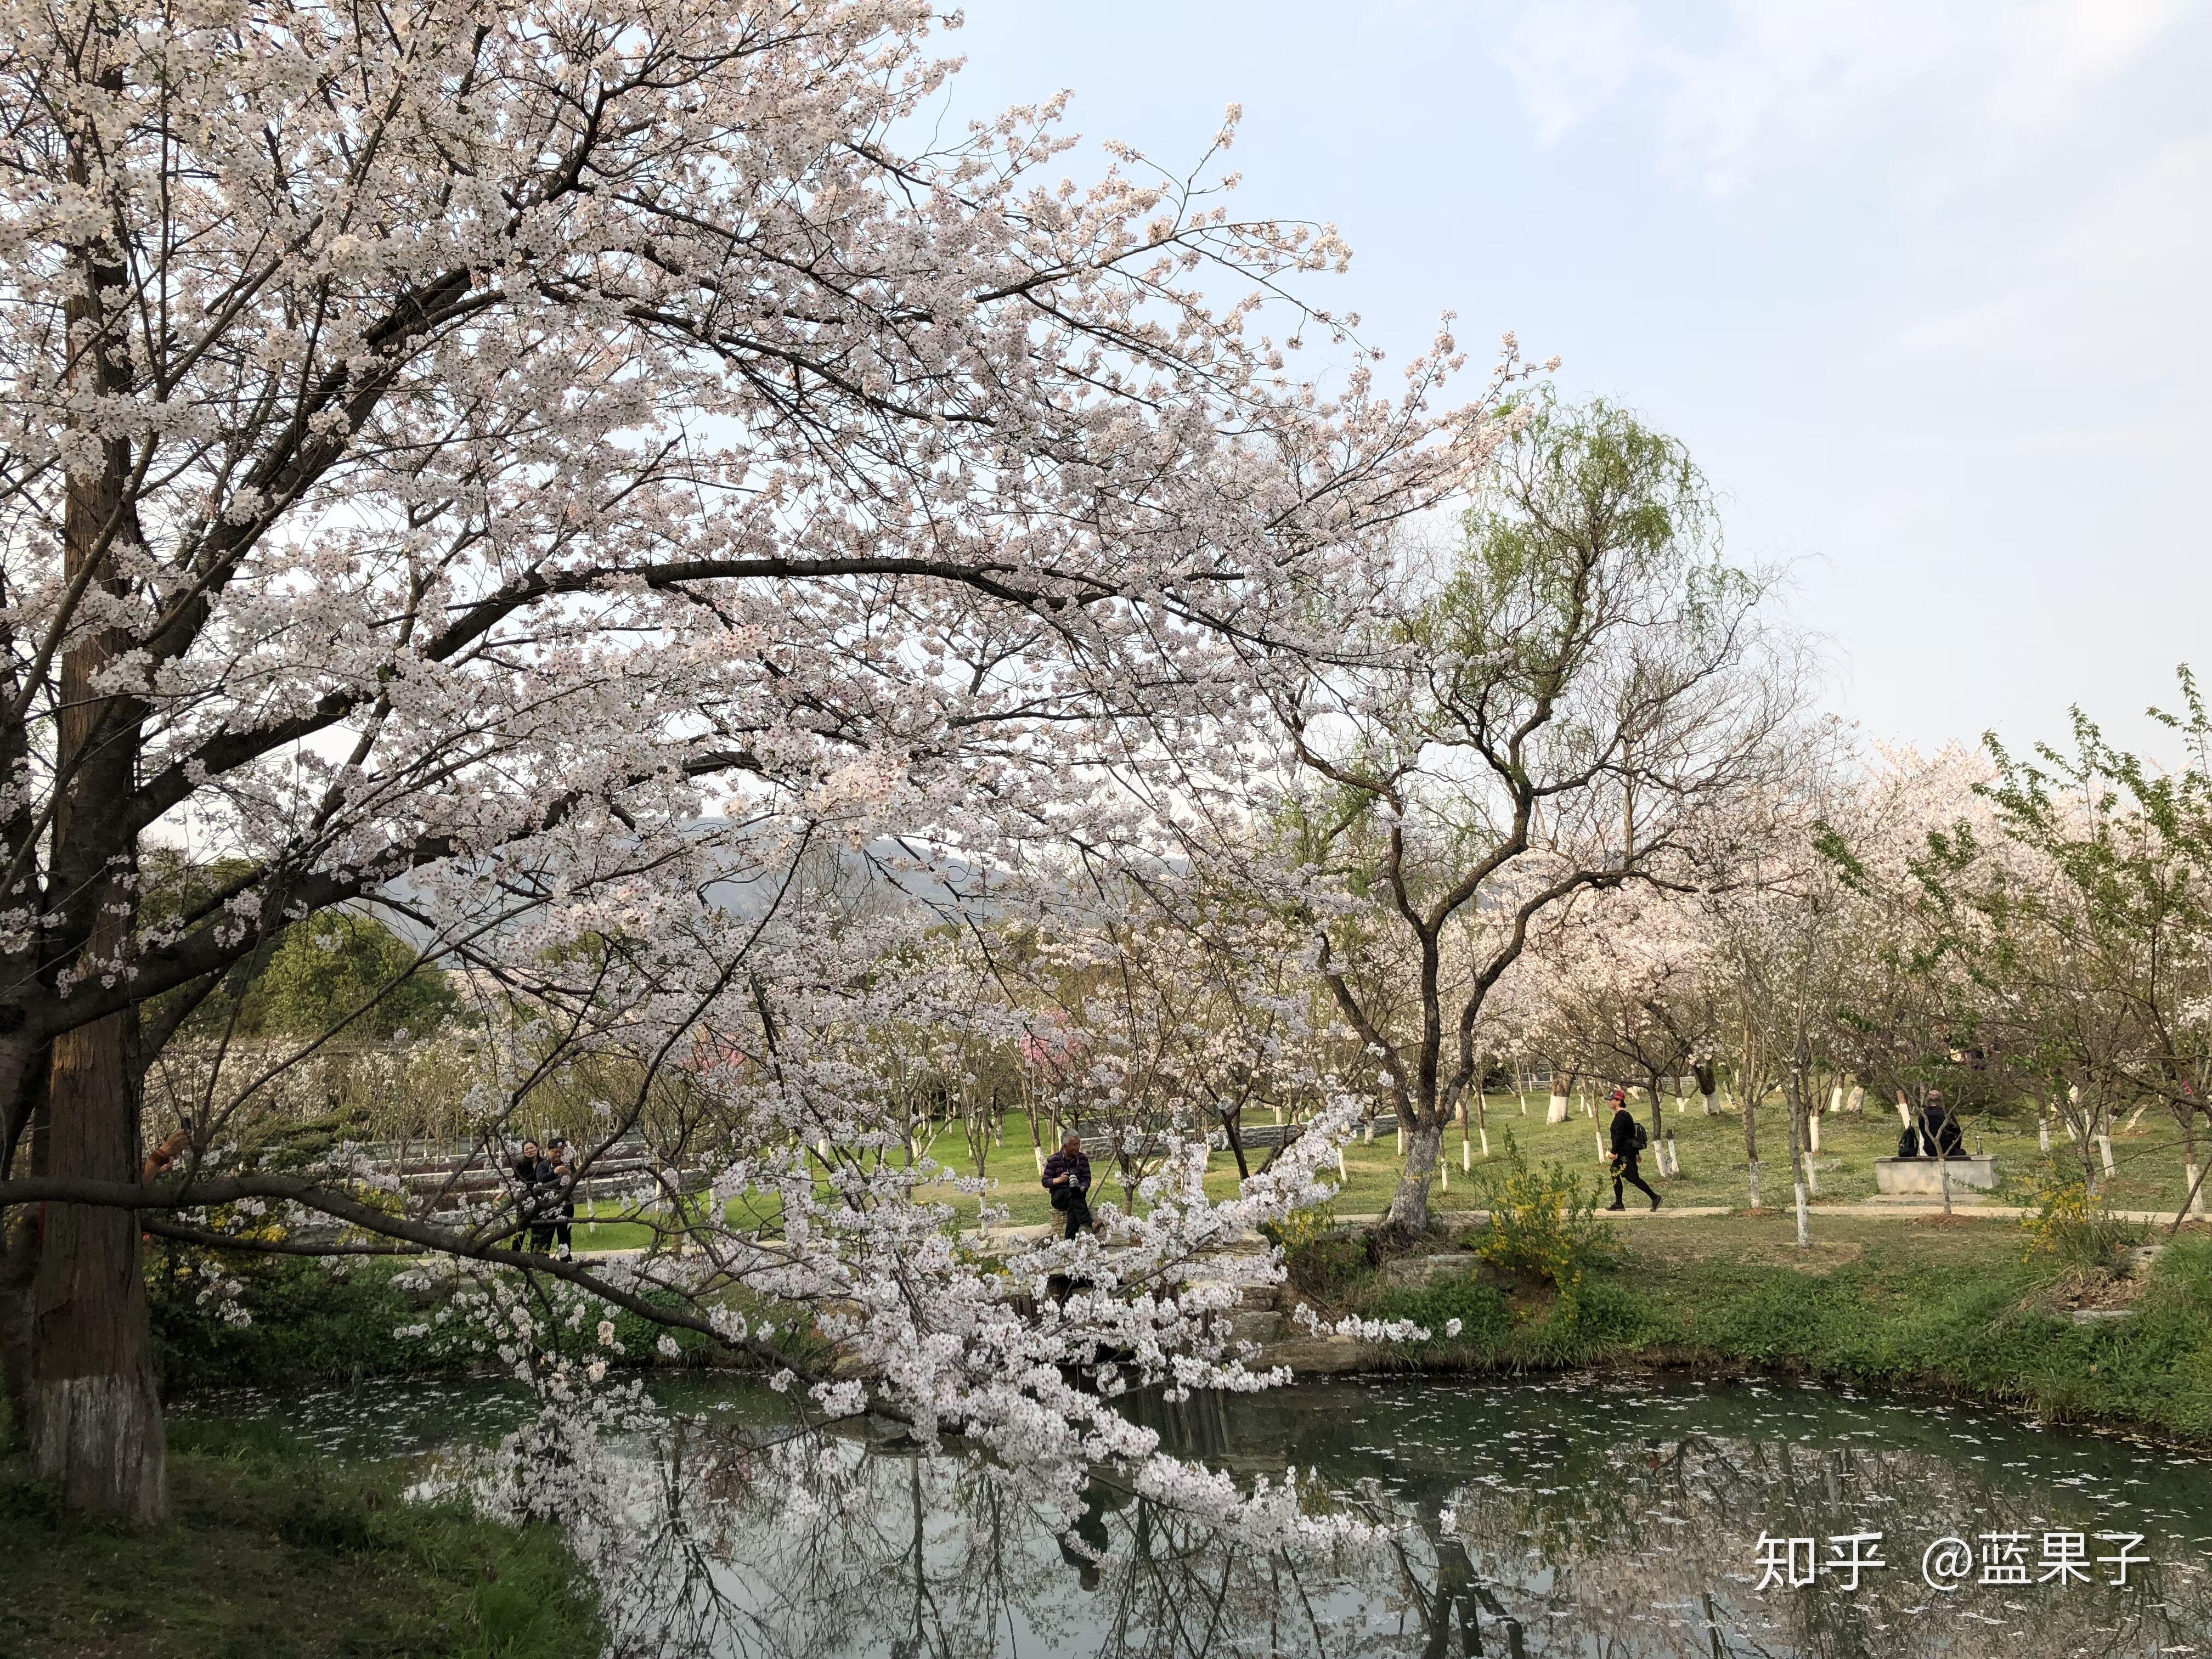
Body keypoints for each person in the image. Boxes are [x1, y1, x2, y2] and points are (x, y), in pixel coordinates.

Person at [1606, 1090, 1660, 1212]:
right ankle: (1619, 1203)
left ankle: (1655, 1197)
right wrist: (1636, 1153)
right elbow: (1630, 1135)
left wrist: (1613, 1152)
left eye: (1611, 1100)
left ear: (1619, 1101)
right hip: (1627, 1153)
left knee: (1633, 1178)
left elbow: (1620, 1137)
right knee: (1615, 1173)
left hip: (1624, 1154)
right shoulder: (1626, 1115)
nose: (1609, 1102)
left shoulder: (1621, 1117)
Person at [1041, 1130, 1093, 1239]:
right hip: (1059, 1197)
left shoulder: (1082, 1159)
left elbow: (1087, 1178)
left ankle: (1069, 1241)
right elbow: (1045, 1181)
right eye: (1075, 1145)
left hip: (1077, 1195)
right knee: (1072, 1194)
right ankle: (1090, 1222)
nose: (1078, 1147)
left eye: (1079, 1144)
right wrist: (1059, 1180)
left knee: (1073, 1203)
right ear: (1065, 1146)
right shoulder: (1053, 1160)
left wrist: (1083, 1187)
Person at [541, 1136, 577, 1260]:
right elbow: (541, 1181)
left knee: (565, 1234)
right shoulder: (543, 1165)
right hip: (548, 1205)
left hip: (566, 1204)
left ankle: (565, 1259)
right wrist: (554, 1172)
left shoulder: (568, 1164)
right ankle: (543, 1260)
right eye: (554, 1152)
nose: (557, 1155)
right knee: (547, 1233)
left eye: (559, 1152)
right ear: (548, 1152)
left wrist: (570, 1174)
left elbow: (575, 1180)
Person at [508, 1139, 544, 1250]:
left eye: (532, 1148)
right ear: (524, 1152)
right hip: (524, 1199)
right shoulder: (520, 1166)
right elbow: (514, 1182)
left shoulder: (544, 1163)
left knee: (538, 1229)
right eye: (527, 1149)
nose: (530, 1151)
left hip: (540, 1199)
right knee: (521, 1228)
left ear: (537, 1149)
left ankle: (537, 1255)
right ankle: (515, 1255)